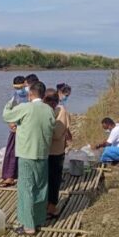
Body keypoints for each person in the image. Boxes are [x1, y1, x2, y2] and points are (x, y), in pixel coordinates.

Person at [3, 81, 55, 235]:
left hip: (27, 154)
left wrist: (11, 101)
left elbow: (6, 115)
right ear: (43, 94)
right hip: (43, 154)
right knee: (41, 187)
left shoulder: (26, 107)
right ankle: (39, 219)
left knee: (26, 189)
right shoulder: (49, 110)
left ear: (30, 94)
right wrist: (20, 126)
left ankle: (28, 226)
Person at [43, 89, 72, 218]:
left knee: (54, 180)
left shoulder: (61, 111)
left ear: (53, 102)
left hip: (55, 151)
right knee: (45, 180)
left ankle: (52, 207)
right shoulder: (44, 111)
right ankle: (45, 204)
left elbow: (57, 133)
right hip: (43, 151)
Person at [0, 75, 27, 188]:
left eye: (20, 87)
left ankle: (23, 177)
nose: (19, 90)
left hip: (27, 128)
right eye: (16, 88)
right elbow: (8, 111)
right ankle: (10, 177)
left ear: (25, 84)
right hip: (16, 128)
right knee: (12, 152)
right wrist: (11, 123)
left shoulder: (31, 95)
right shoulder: (14, 96)